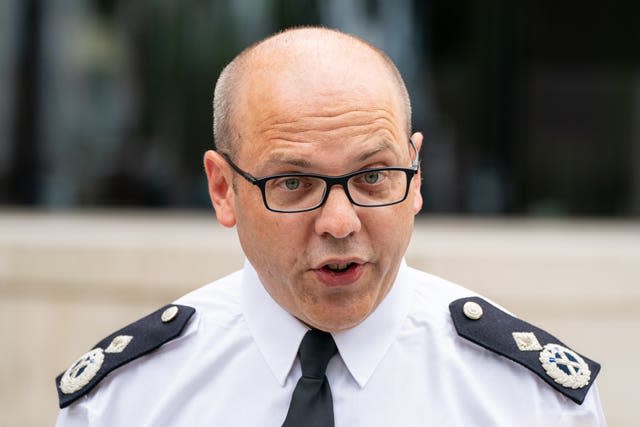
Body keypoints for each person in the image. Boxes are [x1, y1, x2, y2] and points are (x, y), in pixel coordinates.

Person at [55, 27, 606, 426]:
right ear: (223, 189)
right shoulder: (124, 401)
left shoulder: (531, 403)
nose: (340, 223)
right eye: (293, 184)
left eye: (373, 176)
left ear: (415, 178)